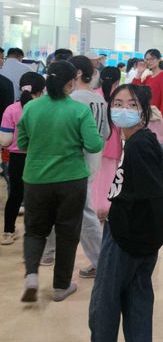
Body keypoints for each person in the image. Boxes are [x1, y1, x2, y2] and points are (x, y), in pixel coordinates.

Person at [69, 84, 163, 342]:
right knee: (137, 296)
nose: (123, 110)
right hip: (140, 233)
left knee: (105, 299)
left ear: (144, 111)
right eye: (118, 103)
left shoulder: (139, 145)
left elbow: (158, 193)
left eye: (132, 105)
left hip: (126, 235)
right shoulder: (138, 140)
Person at [18, 60, 104, 303]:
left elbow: (22, 143)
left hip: (36, 179)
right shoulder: (78, 110)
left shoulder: (31, 107)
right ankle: (60, 286)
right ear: (70, 83)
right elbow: (94, 145)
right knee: (67, 232)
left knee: (34, 231)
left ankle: (32, 275)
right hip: (71, 180)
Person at [43, 56, 110, 276]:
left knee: (83, 210)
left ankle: (102, 261)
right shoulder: (99, 99)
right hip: (94, 157)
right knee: (75, 206)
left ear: (78, 73)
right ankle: (50, 252)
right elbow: (106, 133)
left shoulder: (73, 100)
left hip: (74, 159)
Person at [0, 72, 45, 245]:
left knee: (15, 195)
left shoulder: (11, 109)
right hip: (39, 157)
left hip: (16, 158)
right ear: (41, 91)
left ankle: (8, 232)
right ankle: (36, 233)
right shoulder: (44, 109)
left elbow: (5, 140)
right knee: (38, 196)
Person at [91, 67, 123, 221]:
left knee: (94, 179)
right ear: (118, 81)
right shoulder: (121, 98)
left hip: (94, 144)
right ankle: (107, 209)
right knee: (109, 179)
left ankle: (93, 209)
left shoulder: (92, 95)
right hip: (113, 144)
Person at [132, 49, 163, 143]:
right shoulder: (149, 77)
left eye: (152, 59)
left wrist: (162, 118)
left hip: (157, 118)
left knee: (155, 145)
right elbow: (135, 90)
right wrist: (139, 73)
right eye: (147, 59)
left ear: (159, 59)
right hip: (147, 116)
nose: (149, 62)